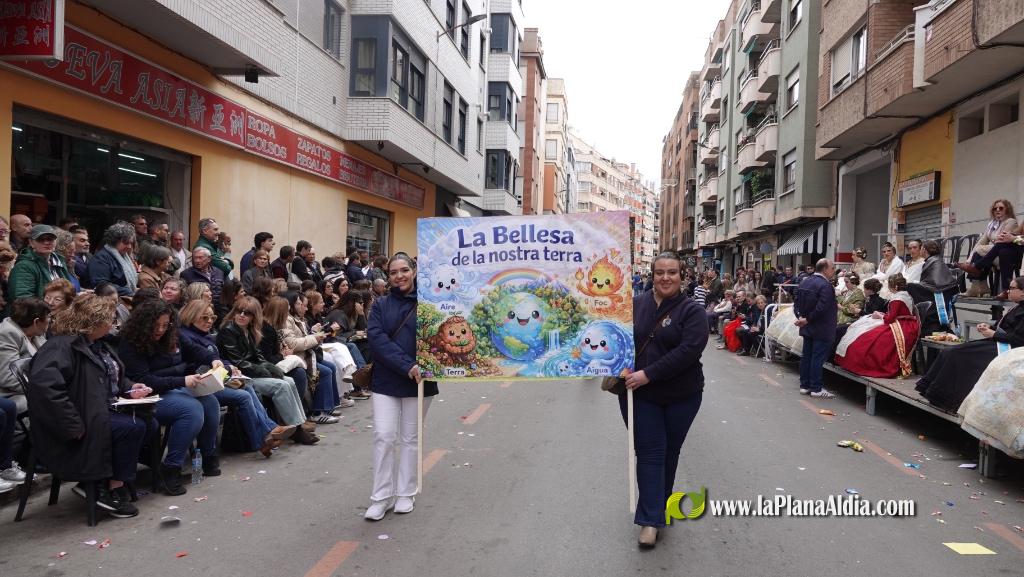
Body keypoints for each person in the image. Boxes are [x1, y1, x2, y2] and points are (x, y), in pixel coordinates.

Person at [27, 294, 150, 518]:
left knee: (147, 420)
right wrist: (73, 425)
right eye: (110, 320)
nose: (114, 325)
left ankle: (114, 481)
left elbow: (113, 376)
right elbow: (46, 390)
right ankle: (106, 487)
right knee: (133, 427)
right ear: (94, 322)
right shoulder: (61, 347)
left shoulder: (96, 344)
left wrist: (131, 387)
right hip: (77, 421)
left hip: (96, 410)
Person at [621, 252, 706, 548]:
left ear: (682, 275)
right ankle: (650, 521)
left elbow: (689, 351)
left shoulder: (692, 311)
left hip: (682, 395)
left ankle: (660, 508)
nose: (665, 278)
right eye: (660, 272)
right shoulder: (634, 304)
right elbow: (617, 339)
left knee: (669, 453)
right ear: (652, 275)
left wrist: (649, 373)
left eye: (672, 272)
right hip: (641, 395)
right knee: (650, 453)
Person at [118, 300, 221, 495]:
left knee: (210, 402)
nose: (160, 330)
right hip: (148, 395)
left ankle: (208, 456)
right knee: (191, 410)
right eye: (156, 325)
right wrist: (182, 381)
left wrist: (213, 360)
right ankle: (170, 467)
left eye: (165, 325)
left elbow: (193, 349)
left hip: (173, 388)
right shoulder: (130, 343)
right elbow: (144, 380)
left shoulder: (172, 334)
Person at [364, 253, 436, 521]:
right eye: (393, 272)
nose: (399, 276)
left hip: (421, 381)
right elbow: (377, 339)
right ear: (388, 276)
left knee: (410, 438)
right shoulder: (380, 305)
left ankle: (405, 492)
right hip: (387, 380)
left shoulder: (431, 302)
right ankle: (380, 497)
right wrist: (408, 365)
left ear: (414, 271)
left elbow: (439, 335)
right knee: (383, 436)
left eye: (404, 270)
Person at [177, 300, 295, 457]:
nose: (210, 321)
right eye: (205, 317)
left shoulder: (204, 335)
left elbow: (217, 359)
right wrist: (227, 367)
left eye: (212, 317)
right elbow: (199, 362)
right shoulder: (187, 336)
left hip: (215, 379)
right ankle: (262, 439)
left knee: (247, 387)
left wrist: (230, 367)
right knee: (244, 395)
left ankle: (270, 431)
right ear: (192, 316)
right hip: (198, 383)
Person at [217, 297, 319, 445]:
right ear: (234, 311)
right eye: (239, 311)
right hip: (240, 377)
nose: (242, 315)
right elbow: (238, 362)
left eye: (248, 313)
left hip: (251, 373)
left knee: (289, 380)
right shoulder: (228, 331)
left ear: (254, 317)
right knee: (281, 385)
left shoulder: (250, 330)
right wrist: (265, 370)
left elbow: (258, 357)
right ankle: (297, 430)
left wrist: (272, 368)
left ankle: (298, 424)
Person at [916, 276, 1024, 411]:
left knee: (958, 354)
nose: (1008, 291)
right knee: (950, 351)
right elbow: (1003, 328)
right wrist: (988, 328)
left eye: (1012, 288)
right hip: (997, 343)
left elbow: (1019, 339)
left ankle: (950, 399)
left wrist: (993, 334)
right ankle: (932, 391)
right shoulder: (1016, 307)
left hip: (1010, 351)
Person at [835, 274, 921, 378]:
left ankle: (865, 364)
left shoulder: (897, 299)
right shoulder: (905, 295)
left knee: (870, 338)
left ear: (894, 287)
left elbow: (890, 319)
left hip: (901, 326)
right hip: (907, 323)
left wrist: (879, 315)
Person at [281, 291, 341, 424]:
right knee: (325, 371)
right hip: (299, 357)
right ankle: (318, 411)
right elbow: (293, 343)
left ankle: (329, 406)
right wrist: (314, 337)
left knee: (330, 366)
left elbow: (303, 337)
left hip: (306, 354)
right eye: (299, 303)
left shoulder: (298, 318)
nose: (303, 307)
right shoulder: (287, 320)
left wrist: (314, 334)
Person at [958, 199, 1022, 298]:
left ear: (1007, 210)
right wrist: (969, 259)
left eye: (1001, 208)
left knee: (999, 249)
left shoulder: (1011, 222)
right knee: (981, 250)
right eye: (994, 209)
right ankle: (982, 284)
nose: (997, 210)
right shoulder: (992, 225)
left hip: (1011, 254)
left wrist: (1013, 238)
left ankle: (978, 268)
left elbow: (1003, 240)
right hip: (998, 253)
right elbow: (980, 242)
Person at [794, 259, 838, 398]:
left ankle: (805, 385)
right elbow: (822, 307)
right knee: (817, 358)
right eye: (832, 268)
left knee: (807, 356)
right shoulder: (825, 285)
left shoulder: (805, 281)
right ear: (825, 269)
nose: (833, 271)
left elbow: (796, 302)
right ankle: (816, 388)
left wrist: (801, 317)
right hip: (821, 327)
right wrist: (807, 319)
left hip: (808, 326)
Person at [0, 297, 49, 414]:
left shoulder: (36, 332)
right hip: (11, 394)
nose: (50, 320)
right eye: (48, 317)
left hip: (36, 386)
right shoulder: (7, 334)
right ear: (36, 321)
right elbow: (9, 378)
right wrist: (46, 388)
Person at [7, 225, 73, 310]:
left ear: (55, 241)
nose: (46, 242)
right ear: (31, 242)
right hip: (35, 317)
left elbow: (68, 291)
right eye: (40, 239)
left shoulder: (60, 260)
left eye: (50, 239)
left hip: (60, 314)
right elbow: (22, 299)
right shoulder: (24, 266)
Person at [907, 240, 959, 335]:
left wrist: (918, 285)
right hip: (934, 289)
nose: (920, 250)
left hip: (939, 292)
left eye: (921, 248)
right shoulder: (931, 260)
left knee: (910, 287)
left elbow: (936, 283)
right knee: (910, 286)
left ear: (925, 250)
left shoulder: (935, 261)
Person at [86, 221, 137, 297]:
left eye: (131, 243)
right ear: (114, 240)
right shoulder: (101, 258)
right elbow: (101, 285)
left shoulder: (124, 257)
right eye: (126, 243)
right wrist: (129, 292)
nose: (129, 247)